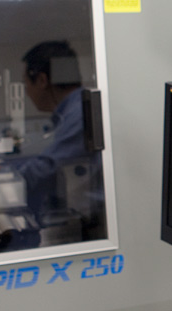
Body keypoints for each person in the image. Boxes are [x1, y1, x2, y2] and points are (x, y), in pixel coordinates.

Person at [8, 40, 104, 232]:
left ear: (42, 81)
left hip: (96, 223)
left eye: (26, 84)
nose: (27, 92)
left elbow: (47, 169)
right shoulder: (76, 110)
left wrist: (5, 177)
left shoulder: (80, 114)